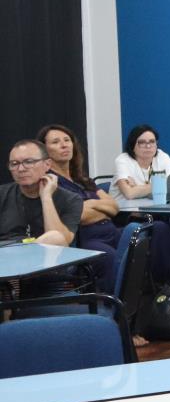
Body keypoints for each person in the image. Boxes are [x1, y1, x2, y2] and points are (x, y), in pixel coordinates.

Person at [40, 123, 125, 298]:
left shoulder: (82, 178)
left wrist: (91, 204)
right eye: (56, 142)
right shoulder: (51, 182)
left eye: (67, 140)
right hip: (85, 239)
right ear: (44, 150)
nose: (64, 145)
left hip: (110, 231)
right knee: (110, 257)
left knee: (154, 232)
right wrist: (97, 204)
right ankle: (115, 307)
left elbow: (115, 207)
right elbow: (79, 216)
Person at [2, 140, 79, 247]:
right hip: (6, 255)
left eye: (28, 162)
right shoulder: (2, 194)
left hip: (47, 258)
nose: (21, 169)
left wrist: (46, 197)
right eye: (14, 164)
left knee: (54, 237)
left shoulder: (71, 199)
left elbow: (60, 243)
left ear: (47, 164)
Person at [111, 124, 170, 207]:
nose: (148, 146)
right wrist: (160, 186)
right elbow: (129, 193)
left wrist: (137, 188)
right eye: (142, 142)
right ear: (132, 145)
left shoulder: (162, 156)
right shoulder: (122, 160)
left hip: (155, 208)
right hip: (125, 212)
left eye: (152, 141)